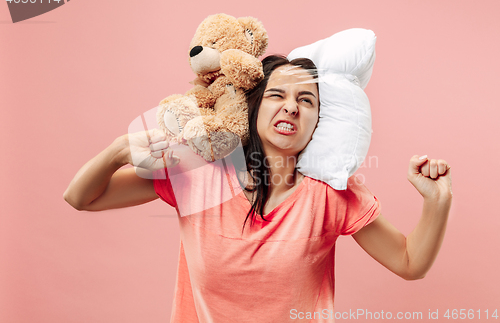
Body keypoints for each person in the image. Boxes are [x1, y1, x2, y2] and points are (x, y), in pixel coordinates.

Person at [64, 55, 453, 322]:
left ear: (317, 122)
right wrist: (117, 150)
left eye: (306, 100)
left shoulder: (331, 195)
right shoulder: (199, 173)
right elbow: (82, 198)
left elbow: (409, 262)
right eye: (276, 95)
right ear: (252, 109)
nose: (291, 107)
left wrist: (437, 201)